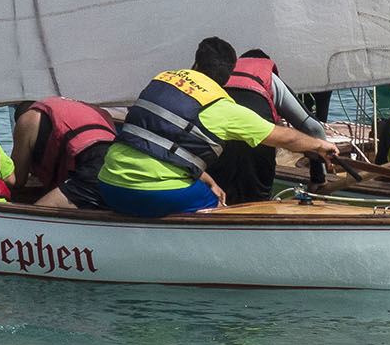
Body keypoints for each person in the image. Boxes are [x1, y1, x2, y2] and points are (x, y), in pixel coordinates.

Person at [97, 37, 342, 218]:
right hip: (158, 194)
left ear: (195, 64)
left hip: (109, 186)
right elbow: (284, 137)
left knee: (206, 185)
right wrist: (321, 145)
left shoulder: (163, 79)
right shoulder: (221, 107)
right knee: (218, 204)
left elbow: (162, 145)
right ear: (228, 75)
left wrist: (208, 179)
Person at [207, 48, 330, 204]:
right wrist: (318, 178)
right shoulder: (269, 78)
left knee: (217, 200)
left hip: (218, 143)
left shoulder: (217, 75)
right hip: (258, 142)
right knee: (257, 204)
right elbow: (313, 129)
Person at [10, 96, 116, 210]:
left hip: (92, 170)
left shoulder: (27, 118)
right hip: (117, 168)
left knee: (34, 216)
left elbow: (17, 180)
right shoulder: (82, 107)